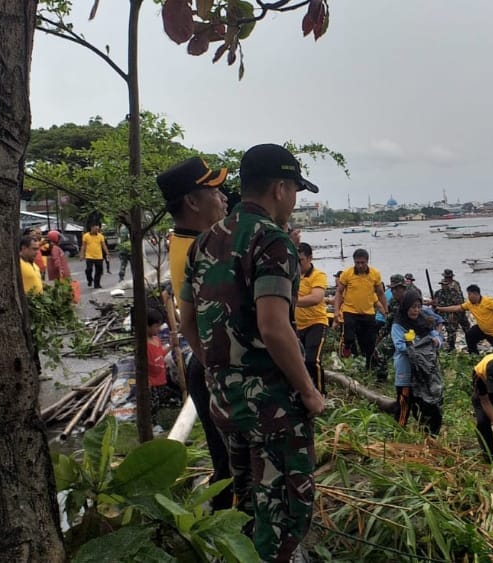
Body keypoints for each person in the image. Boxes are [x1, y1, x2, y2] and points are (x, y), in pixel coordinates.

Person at [178, 143, 325, 562]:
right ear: (280, 188)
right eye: (295, 189)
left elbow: (188, 322)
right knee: (284, 515)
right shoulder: (273, 241)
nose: (295, 200)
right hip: (275, 410)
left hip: (226, 403)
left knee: (246, 502)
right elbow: (275, 327)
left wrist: (221, 371)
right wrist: (310, 394)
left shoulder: (204, 242)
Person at [157, 155, 232, 512]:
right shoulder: (199, 250)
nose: (223, 198)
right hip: (214, 364)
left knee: (228, 464)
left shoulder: (188, 240)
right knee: (233, 468)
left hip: (207, 363)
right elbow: (190, 321)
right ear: (191, 201)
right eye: (214, 191)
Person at [392, 291, 444, 434]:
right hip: (406, 370)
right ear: (406, 307)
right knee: (404, 402)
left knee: (425, 402)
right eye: (412, 307)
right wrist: (419, 344)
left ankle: (427, 433)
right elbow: (400, 346)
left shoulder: (423, 320)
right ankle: (399, 432)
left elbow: (437, 337)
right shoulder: (399, 324)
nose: (416, 310)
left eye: (418, 307)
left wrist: (436, 341)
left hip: (424, 372)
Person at [334, 248, 388, 368]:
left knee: (368, 344)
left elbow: (380, 293)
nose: (359, 265)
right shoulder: (347, 274)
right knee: (349, 337)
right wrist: (337, 311)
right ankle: (347, 349)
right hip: (350, 311)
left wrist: (386, 310)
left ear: (367, 262)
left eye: (362, 262)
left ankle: (368, 366)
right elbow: (339, 292)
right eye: (357, 262)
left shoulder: (375, 274)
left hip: (368, 313)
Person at [295, 242, 329, 393]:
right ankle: (305, 393)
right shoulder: (292, 276)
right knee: (298, 362)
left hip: (316, 323)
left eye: (300, 260)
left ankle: (321, 394)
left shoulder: (318, 275)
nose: (297, 264)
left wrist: (291, 300)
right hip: (297, 325)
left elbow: (316, 297)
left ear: (309, 258)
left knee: (312, 361)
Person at [437, 284, 493, 353]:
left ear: (476, 294)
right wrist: (440, 308)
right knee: (470, 335)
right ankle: (474, 355)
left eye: (469, 294)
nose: (468, 297)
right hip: (482, 329)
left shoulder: (488, 301)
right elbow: (457, 308)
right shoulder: (469, 304)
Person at [146, 308, 182, 425]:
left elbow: (160, 354)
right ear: (147, 326)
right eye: (156, 326)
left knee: (159, 401)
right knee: (152, 405)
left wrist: (171, 346)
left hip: (161, 379)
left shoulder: (156, 340)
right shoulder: (144, 345)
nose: (159, 329)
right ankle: (152, 425)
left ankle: (156, 422)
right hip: (152, 382)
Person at [434, 274, 469, 350]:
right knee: (449, 331)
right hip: (443, 314)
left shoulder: (454, 292)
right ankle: (450, 347)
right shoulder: (438, 293)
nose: (443, 286)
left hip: (454, 314)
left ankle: (467, 343)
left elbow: (459, 304)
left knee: (461, 329)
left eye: (445, 284)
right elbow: (435, 302)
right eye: (442, 284)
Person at [80, 224, 110, 288]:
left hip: (99, 256)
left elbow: (103, 245)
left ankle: (97, 284)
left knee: (99, 271)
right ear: (92, 228)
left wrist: (107, 253)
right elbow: (83, 246)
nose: (97, 230)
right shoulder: (86, 236)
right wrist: (82, 254)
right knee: (89, 269)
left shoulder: (100, 236)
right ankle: (90, 279)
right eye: (96, 229)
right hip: (89, 256)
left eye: (98, 229)